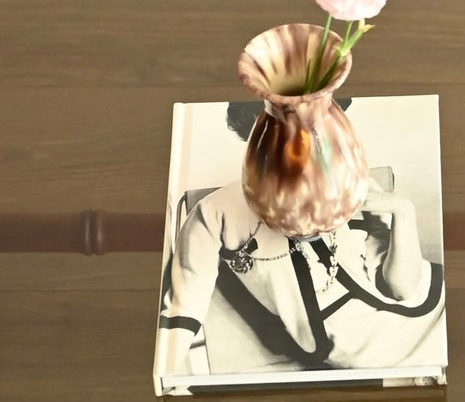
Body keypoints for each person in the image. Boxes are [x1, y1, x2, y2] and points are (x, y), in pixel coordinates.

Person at [157, 103, 445, 379]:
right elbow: (183, 310)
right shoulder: (215, 213)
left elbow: (402, 289)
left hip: (431, 320)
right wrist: (164, 377)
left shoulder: (351, 184)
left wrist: (403, 211)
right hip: (367, 355)